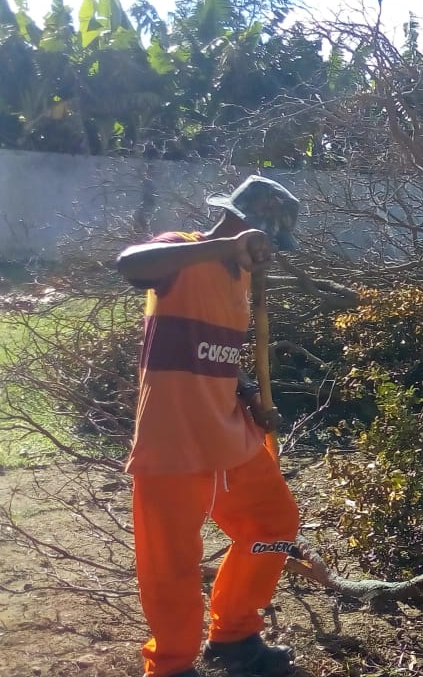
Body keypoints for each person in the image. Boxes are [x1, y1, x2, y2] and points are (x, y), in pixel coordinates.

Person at [116, 176, 302, 677]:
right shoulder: (183, 252)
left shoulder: (241, 280)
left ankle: (235, 635)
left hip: (229, 433)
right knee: (171, 563)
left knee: (274, 527)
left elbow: (217, 356)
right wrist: (227, 245)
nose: (268, 256)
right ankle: (173, 665)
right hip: (172, 440)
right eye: (266, 243)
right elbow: (129, 264)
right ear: (245, 223)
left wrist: (249, 397)